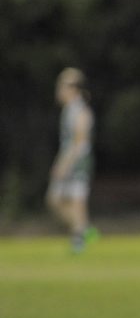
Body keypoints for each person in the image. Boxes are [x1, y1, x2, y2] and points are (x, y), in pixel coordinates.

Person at [47, 67, 98, 254]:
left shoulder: (80, 111)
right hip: (68, 161)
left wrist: (65, 164)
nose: (59, 90)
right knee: (55, 201)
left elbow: (80, 143)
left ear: (73, 89)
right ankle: (84, 230)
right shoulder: (68, 110)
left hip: (78, 164)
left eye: (62, 86)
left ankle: (79, 241)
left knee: (76, 203)